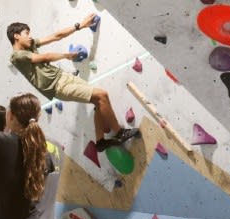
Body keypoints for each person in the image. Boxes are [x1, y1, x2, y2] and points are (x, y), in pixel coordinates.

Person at [7, 15, 138, 152]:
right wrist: (66, 55)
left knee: (98, 101)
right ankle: (119, 133)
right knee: (102, 95)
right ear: (16, 36)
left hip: (63, 76)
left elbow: (56, 36)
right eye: (26, 34)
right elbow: (42, 58)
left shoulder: (30, 44)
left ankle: (100, 141)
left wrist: (79, 26)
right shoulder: (16, 56)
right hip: (57, 86)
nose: (30, 36)